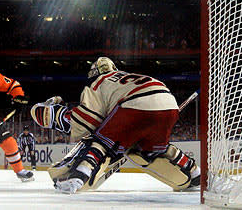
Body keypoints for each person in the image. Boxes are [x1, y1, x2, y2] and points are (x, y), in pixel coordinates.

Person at [30, 57, 200, 193]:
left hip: (136, 104)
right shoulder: (126, 76)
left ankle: (78, 176)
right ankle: (195, 173)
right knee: (154, 150)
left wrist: (56, 114)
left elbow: (86, 121)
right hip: (169, 105)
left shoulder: (98, 82)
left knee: (101, 141)